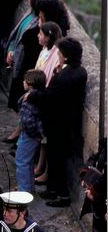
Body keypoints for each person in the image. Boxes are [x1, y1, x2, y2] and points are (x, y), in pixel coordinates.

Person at [31, 37, 87, 207]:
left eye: (61, 53)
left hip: (59, 124)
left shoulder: (65, 77)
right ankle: (53, 189)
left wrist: (34, 95)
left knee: (57, 160)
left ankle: (62, 196)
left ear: (66, 56)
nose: (59, 55)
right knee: (55, 158)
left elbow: (52, 96)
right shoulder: (79, 71)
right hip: (67, 122)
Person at [33, 21, 63, 186]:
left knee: (45, 139)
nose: (38, 35)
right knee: (42, 139)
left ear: (48, 37)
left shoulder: (54, 53)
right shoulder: (45, 50)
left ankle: (43, 169)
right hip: (40, 95)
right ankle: (40, 166)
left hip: (45, 99)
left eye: (41, 33)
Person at [15, 69, 46, 193]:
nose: (23, 82)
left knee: (21, 161)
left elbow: (28, 120)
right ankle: (28, 187)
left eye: (25, 81)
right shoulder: (37, 96)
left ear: (30, 84)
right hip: (31, 134)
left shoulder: (30, 99)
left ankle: (24, 190)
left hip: (29, 135)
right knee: (27, 161)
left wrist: (33, 134)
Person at [79, 140, 107, 232]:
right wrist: (87, 173)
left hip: (103, 201)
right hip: (100, 202)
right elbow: (97, 156)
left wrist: (94, 190)